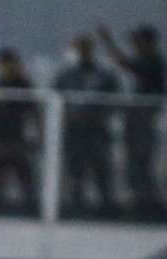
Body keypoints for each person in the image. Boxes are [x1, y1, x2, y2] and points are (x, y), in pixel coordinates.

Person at [97, 23, 167, 216]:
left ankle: (149, 205)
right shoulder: (147, 60)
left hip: (144, 120)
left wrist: (108, 42)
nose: (135, 45)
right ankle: (142, 201)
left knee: (140, 162)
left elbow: (126, 64)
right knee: (135, 163)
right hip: (136, 119)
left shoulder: (153, 61)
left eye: (138, 41)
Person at [52, 35, 120, 216]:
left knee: (101, 169)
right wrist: (68, 116)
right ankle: (76, 205)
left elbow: (113, 102)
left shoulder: (104, 76)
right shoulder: (66, 76)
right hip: (74, 131)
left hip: (96, 131)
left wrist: (97, 116)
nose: (83, 52)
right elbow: (56, 99)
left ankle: (107, 206)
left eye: (86, 48)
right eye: (80, 48)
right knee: (75, 170)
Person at [0, 48, 37, 211]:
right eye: (4, 65)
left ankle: (31, 205)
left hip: (18, 138)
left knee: (24, 173)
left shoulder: (23, 86)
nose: (7, 68)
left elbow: (32, 111)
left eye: (10, 64)